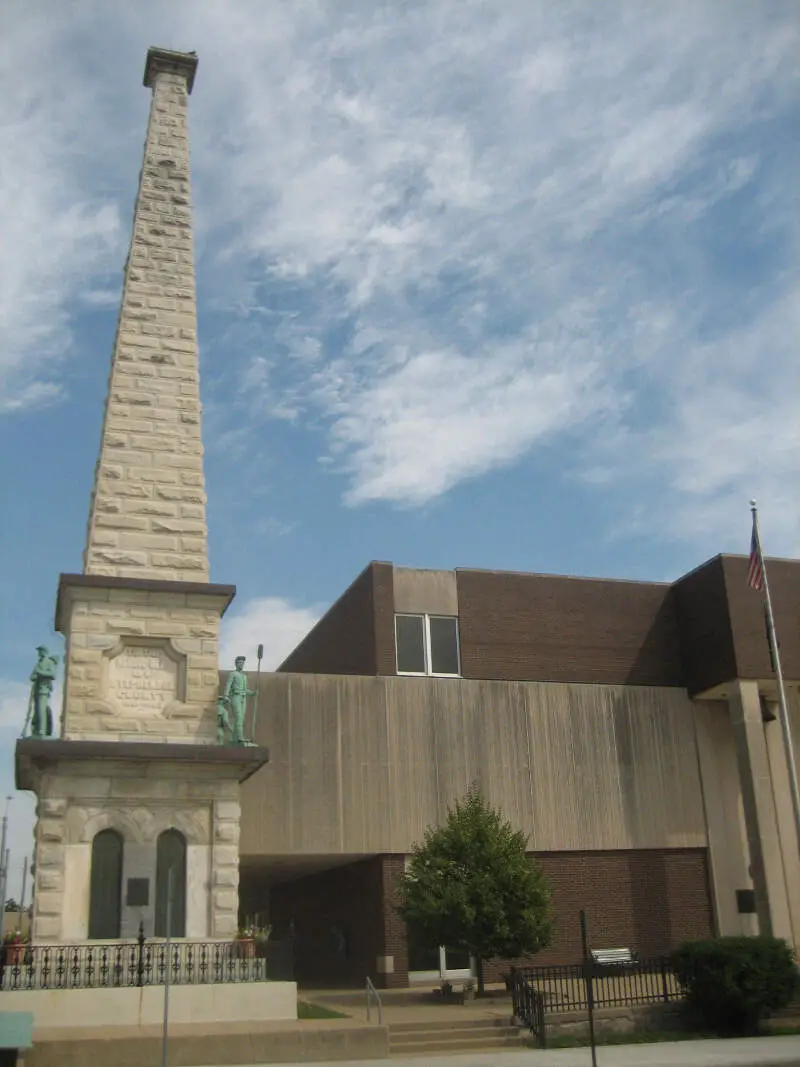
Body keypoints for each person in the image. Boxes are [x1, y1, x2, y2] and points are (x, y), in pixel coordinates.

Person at [221, 655, 256, 745]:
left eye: (242, 663)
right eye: (239, 663)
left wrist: (253, 693)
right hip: (235, 696)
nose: (241, 664)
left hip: (243, 698)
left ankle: (234, 737)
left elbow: (245, 689)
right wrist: (225, 695)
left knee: (241, 718)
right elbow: (228, 685)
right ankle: (240, 737)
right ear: (236, 664)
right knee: (239, 716)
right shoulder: (232, 674)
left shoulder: (244, 676)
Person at [29, 646, 59, 738]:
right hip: (37, 689)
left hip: (44, 689)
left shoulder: (49, 662)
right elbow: (32, 677)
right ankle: (37, 730)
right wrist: (36, 675)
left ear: (44, 652)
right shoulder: (38, 663)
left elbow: (53, 675)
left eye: (40, 651)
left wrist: (40, 672)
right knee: (37, 711)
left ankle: (42, 730)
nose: (39, 653)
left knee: (42, 710)